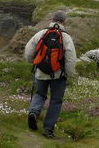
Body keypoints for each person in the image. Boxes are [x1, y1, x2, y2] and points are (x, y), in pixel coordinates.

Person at [24, 10, 76, 139]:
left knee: (40, 94)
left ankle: (34, 113)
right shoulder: (66, 37)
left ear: (52, 19)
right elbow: (70, 58)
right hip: (59, 75)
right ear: (64, 21)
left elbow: (28, 50)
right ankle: (48, 129)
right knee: (56, 101)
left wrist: (34, 62)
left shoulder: (41, 33)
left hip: (41, 72)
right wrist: (68, 74)